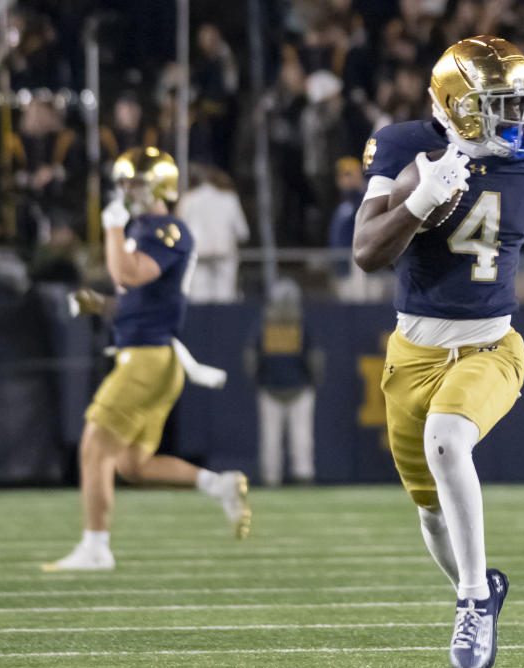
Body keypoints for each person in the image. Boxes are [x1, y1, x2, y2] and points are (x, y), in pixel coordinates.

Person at [352, 36, 524, 668]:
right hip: (413, 350)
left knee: (446, 440)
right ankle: (478, 585)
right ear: (457, 106)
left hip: (492, 343)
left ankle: (471, 602)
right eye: (501, 105)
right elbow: (366, 252)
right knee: (430, 512)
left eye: (523, 103)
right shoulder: (407, 147)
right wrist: (419, 202)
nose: (520, 119)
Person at [44, 147, 251, 572]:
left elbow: (128, 274)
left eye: (134, 181)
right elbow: (134, 297)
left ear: (159, 184)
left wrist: (112, 227)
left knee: (94, 446)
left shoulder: (168, 229)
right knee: (132, 464)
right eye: (123, 182)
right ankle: (218, 485)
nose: (126, 190)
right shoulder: (146, 229)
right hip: (149, 355)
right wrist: (100, 305)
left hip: (148, 360)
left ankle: (96, 547)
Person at [244, 278, 324, 487]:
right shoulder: (270, 324)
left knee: (291, 438)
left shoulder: (271, 324)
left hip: (286, 388)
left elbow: (251, 357)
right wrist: (314, 380)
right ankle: (287, 477)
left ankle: (291, 477)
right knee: (290, 438)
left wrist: (257, 378)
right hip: (283, 388)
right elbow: (314, 358)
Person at [177, 164, 250, 303]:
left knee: (198, 296)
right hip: (224, 252)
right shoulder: (229, 198)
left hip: (198, 252)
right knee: (225, 297)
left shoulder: (189, 199)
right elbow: (242, 232)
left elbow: (180, 229)